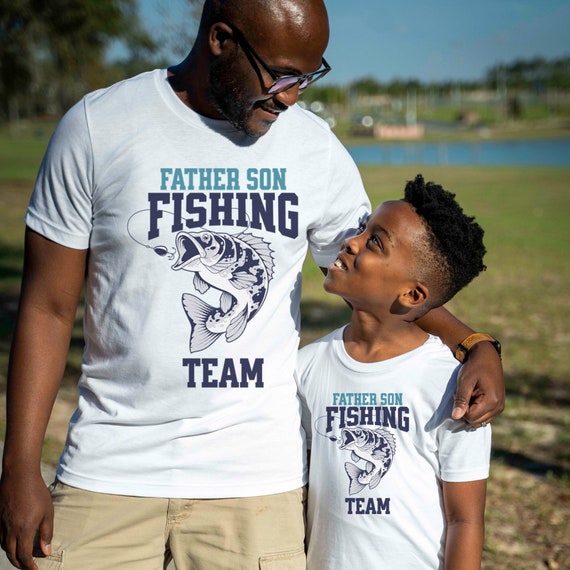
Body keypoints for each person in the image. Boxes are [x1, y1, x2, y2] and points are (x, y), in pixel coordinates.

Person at [0, 1, 503, 569]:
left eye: (308, 77)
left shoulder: (313, 148)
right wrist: (19, 467)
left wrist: (474, 344)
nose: (291, 96)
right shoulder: (97, 127)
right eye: (281, 75)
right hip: (109, 467)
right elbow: (46, 306)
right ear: (220, 39)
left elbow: (389, 287)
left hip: (256, 483)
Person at [296, 174, 494, 569]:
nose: (350, 242)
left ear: (413, 295)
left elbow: (465, 519)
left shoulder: (453, 386)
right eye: (361, 230)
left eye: (374, 242)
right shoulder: (307, 365)